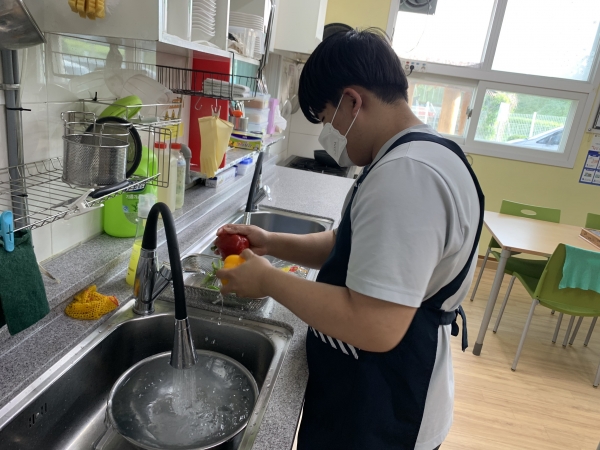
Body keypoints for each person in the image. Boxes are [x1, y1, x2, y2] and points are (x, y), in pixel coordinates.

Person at [216, 28, 484, 450]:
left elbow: (375, 324)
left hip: (387, 410)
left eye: (327, 119)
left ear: (353, 102)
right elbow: (349, 245)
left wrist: (267, 280)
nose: (329, 133)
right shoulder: (416, 153)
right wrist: (271, 241)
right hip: (368, 391)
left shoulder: (406, 177)